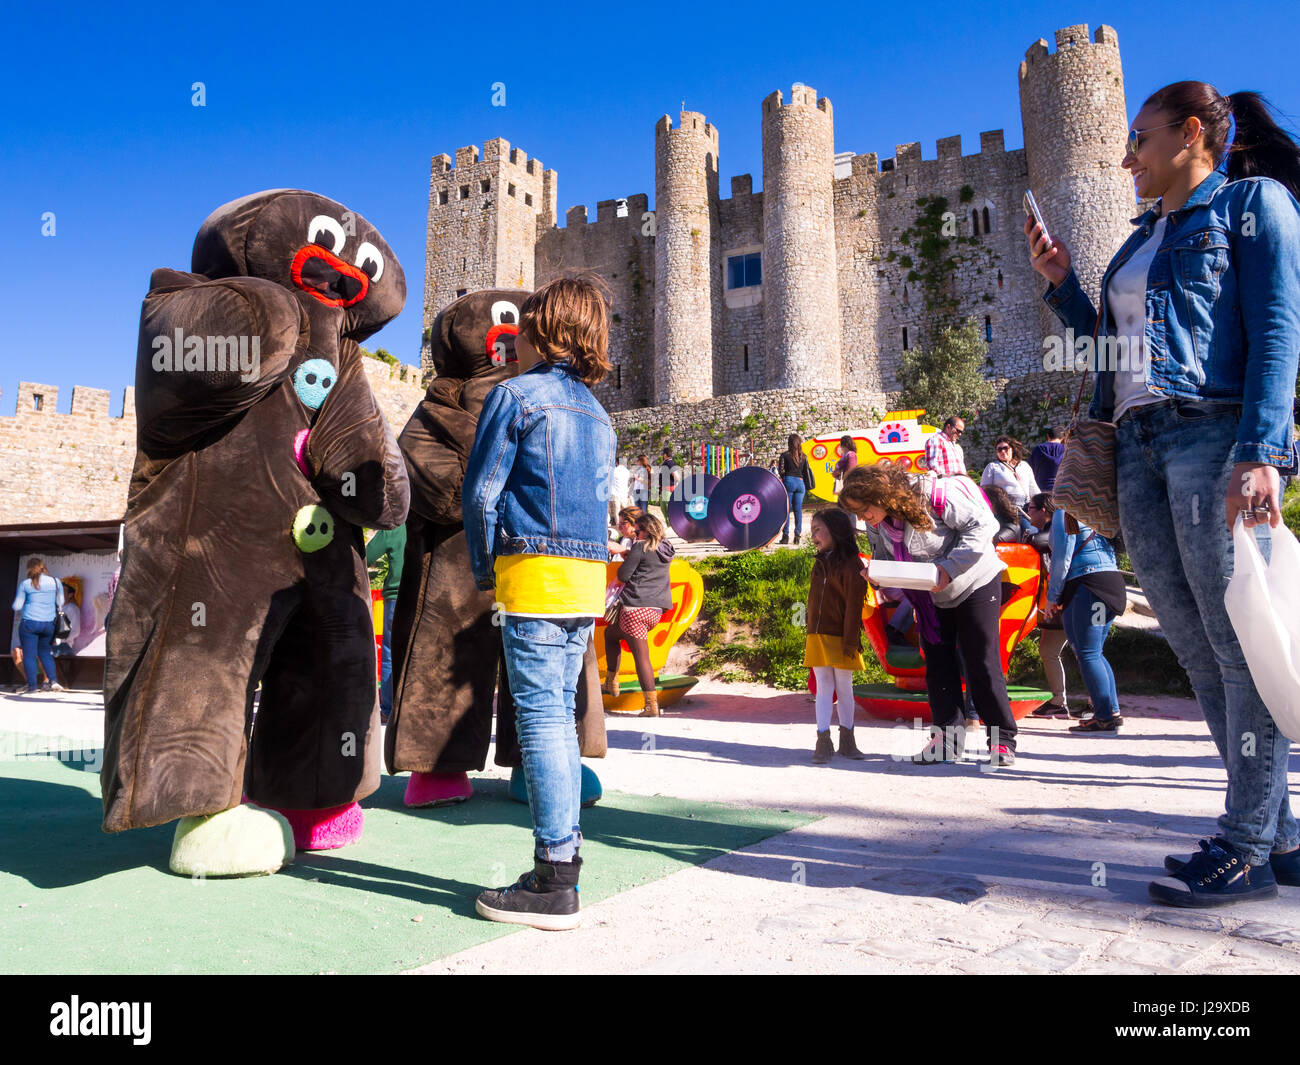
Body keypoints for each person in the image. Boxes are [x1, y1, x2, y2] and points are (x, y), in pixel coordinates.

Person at [1028, 81, 1300, 906]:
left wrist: (1261, 452)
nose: (1126, 157)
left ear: (1190, 135)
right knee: (1196, 646)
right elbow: (1106, 350)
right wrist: (1063, 284)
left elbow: (1280, 327)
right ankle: (1281, 836)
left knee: (1237, 642)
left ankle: (1246, 843)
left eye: (1138, 139)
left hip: (1212, 435)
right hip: (1138, 447)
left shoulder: (1254, 207)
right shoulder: (1138, 241)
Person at [463, 276, 616, 930]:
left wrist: (483, 569)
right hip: (588, 578)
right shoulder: (602, 417)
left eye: (521, 331)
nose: (514, 343)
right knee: (560, 709)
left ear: (543, 330)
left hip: (533, 570)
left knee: (543, 717)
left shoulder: (515, 396)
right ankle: (563, 860)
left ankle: (555, 877)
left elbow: (480, 495)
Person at [840, 464, 1017, 767]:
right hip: (931, 593)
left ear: (881, 495)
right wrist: (877, 573)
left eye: (864, 509)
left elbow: (983, 526)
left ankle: (1002, 741)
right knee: (937, 662)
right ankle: (946, 740)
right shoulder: (878, 521)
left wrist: (948, 568)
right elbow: (886, 558)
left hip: (976, 579)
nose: (862, 518)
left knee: (981, 661)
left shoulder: (935, 494)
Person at [1044, 509, 1125, 733]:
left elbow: (1063, 554)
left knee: (1088, 653)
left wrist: (1053, 596)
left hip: (1088, 587)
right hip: (1110, 583)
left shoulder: (1069, 513)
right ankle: (1111, 711)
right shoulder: (1098, 511)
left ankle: (1104, 717)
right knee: (1095, 652)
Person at [803, 508, 868, 763]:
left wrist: (851, 640)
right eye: (812, 531)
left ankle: (848, 741)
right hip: (817, 635)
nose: (813, 535)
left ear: (837, 531)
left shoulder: (853, 565)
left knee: (844, 687)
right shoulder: (819, 562)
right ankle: (822, 739)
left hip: (843, 637)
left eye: (818, 529)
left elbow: (854, 606)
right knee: (823, 688)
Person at [604, 511, 675, 717]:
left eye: (638, 530)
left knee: (641, 658)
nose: (635, 532)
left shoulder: (640, 547)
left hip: (635, 608)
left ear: (646, 530)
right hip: (655, 611)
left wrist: (628, 554)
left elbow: (623, 575)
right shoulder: (666, 549)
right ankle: (611, 682)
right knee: (611, 634)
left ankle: (651, 705)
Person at [1024, 494, 1074, 719]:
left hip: (1065, 599)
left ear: (1044, 509)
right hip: (1055, 601)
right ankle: (1058, 701)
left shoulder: (1057, 525)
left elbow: (1038, 542)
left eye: (1031, 508)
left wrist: (1027, 536)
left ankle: (1099, 705)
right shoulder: (1051, 526)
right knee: (1048, 650)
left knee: (1088, 652)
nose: (1028, 512)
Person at [365, 523, 404, 723]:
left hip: (395, 597)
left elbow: (368, 554)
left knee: (389, 653)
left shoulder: (396, 527)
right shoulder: (426, 525)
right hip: (424, 595)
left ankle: (388, 710)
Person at [11, 558, 64, 694]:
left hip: (29, 623)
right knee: (45, 653)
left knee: (29, 655)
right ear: (43, 567)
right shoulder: (55, 581)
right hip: (48, 624)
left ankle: (32, 686)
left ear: (29, 569)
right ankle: (53, 681)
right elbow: (61, 601)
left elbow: (17, 606)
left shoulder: (26, 584)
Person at [981, 435, 1041, 510]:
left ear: (1012, 449)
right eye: (999, 449)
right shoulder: (992, 467)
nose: (1003, 451)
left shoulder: (1024, 466)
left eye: (1005, 448)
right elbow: (984, 491)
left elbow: (1033, 488)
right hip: (1005, 509)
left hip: (1026, 507)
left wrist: (1041, 502)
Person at [777, 433, 814, 545]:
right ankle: (797, 536)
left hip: (789, 481)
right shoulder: (804, 456)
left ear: (789, 443)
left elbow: (781, 470)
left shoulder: (785, 455)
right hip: (800, 484)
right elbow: (805, 471)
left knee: (787, 510)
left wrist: (785, 478)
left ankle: (785, 536)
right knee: (798, 511)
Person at [1028, 426, 1067, 495]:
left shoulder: (1038, 449)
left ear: (1048, 436)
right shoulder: (1066, 449)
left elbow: (1029, 469)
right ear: (1063, 438)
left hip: (1041, 489)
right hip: (1062, 488)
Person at [610, 456, 632, 529]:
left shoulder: (614, 470)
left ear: (616, 463)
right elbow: (628, 482)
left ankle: (618, 528)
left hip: (615, 494)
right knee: (625, 513)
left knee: (617, 513)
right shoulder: (627, 471)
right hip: (624, 494)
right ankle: (627, 527)